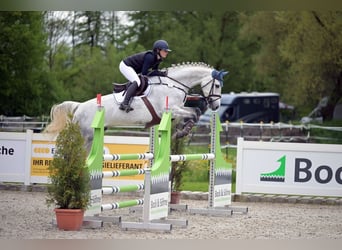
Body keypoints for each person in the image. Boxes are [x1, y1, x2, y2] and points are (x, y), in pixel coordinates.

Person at [119, 39, 171, 112]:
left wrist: (161, 73)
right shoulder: (150, 57)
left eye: (167, 51)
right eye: (165, 51)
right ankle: (124, 103)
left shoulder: (158, 59)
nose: (167, 52)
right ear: (158, 50)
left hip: (133, 68)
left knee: (138, 80)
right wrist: (161, 73)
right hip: (125, 66)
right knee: (137, 81)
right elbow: (144, 73)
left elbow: (154, 71)